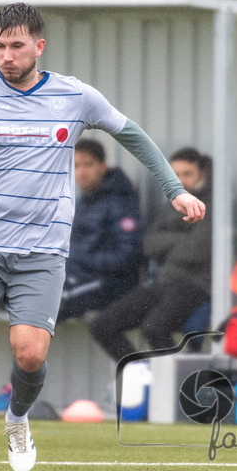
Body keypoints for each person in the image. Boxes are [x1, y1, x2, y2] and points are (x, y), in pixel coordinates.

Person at [0, 2, 205, 471]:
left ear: (39, 46)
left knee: (31, 353)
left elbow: (132, 135)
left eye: (16, 46)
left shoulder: (73, 96)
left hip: (42, 252)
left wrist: (175, 191)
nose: (6, 56)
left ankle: (17, 422)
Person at [0, 137, 143, 410]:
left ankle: (17, 391)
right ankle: (16, 388)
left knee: (44, 305)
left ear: (103, 167)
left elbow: (127, 258)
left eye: (88, 164)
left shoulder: (120, 203)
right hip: (79, 279)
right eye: (76, 165)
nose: (81, 171)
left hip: (110, 284)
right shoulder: (82, 200)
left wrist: (78, 259)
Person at [89, 148, 213, 361]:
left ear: (201, 174)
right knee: (102, 325)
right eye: (175, 175)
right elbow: (149, 245)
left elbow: (195, 251)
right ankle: (141, 376)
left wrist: (168, 242)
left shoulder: (211, 204)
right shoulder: (175, 202)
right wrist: (179, 239)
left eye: (187, 174)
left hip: (194, 285)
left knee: (154, 328)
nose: (181, 181)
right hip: (163, 283)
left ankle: (173, 386)